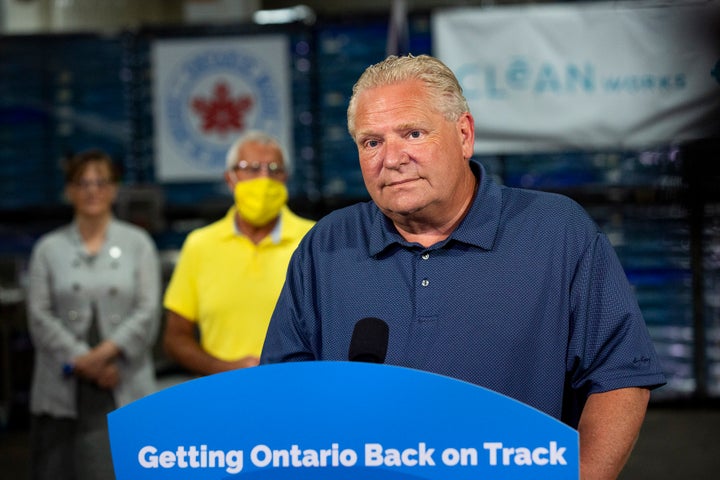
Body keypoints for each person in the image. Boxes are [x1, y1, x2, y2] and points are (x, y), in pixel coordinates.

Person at [260, 54, 666, 480]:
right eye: (371, 142)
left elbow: (620, 375)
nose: (391, 158)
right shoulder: (327, 245)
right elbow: (285, 389)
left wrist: (585, 474)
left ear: (464, 134)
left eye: (412, 133)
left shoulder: (556, 232)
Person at [27, 149, 161, 480]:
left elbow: (148, 310)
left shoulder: (138, 243)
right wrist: (82, 361)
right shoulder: (48, 248)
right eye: (82, 183)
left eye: (101, 182)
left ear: (114, 189)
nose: (92, 191)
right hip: (62, 384)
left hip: (124, 379)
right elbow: (39, 315)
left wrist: (103, 354)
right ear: (69, 190)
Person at [162, 130, 315, 377]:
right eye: (251, 169)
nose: (264, 178)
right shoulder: (200, 245)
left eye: (274, 169)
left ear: (285, 178)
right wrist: (223, 370)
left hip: (297, 393)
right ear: (230, 178)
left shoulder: (314, 241)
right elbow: (175, 338)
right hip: (221, 397)